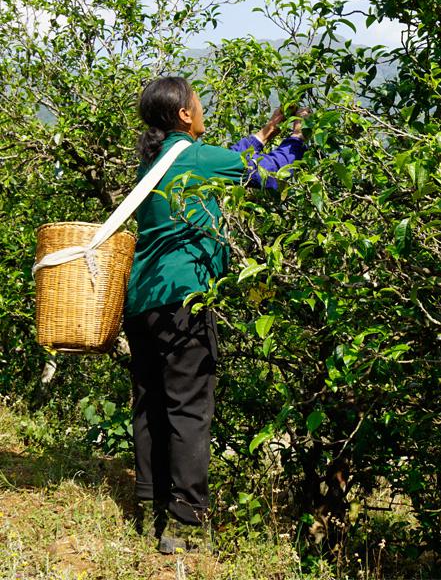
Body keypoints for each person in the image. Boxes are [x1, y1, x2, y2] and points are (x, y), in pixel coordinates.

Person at [123, 75, 308, 553]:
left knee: (150, 404)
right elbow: (264, 174)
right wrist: (295, 143)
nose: (202, 109)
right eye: (198, 103)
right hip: (186, 298)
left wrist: (261, 136)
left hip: (141, 299)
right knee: (189, 407)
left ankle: (150, 508)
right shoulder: (198, 158)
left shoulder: (153, 162)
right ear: (184, 114)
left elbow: (237, 157)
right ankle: (183, 525)